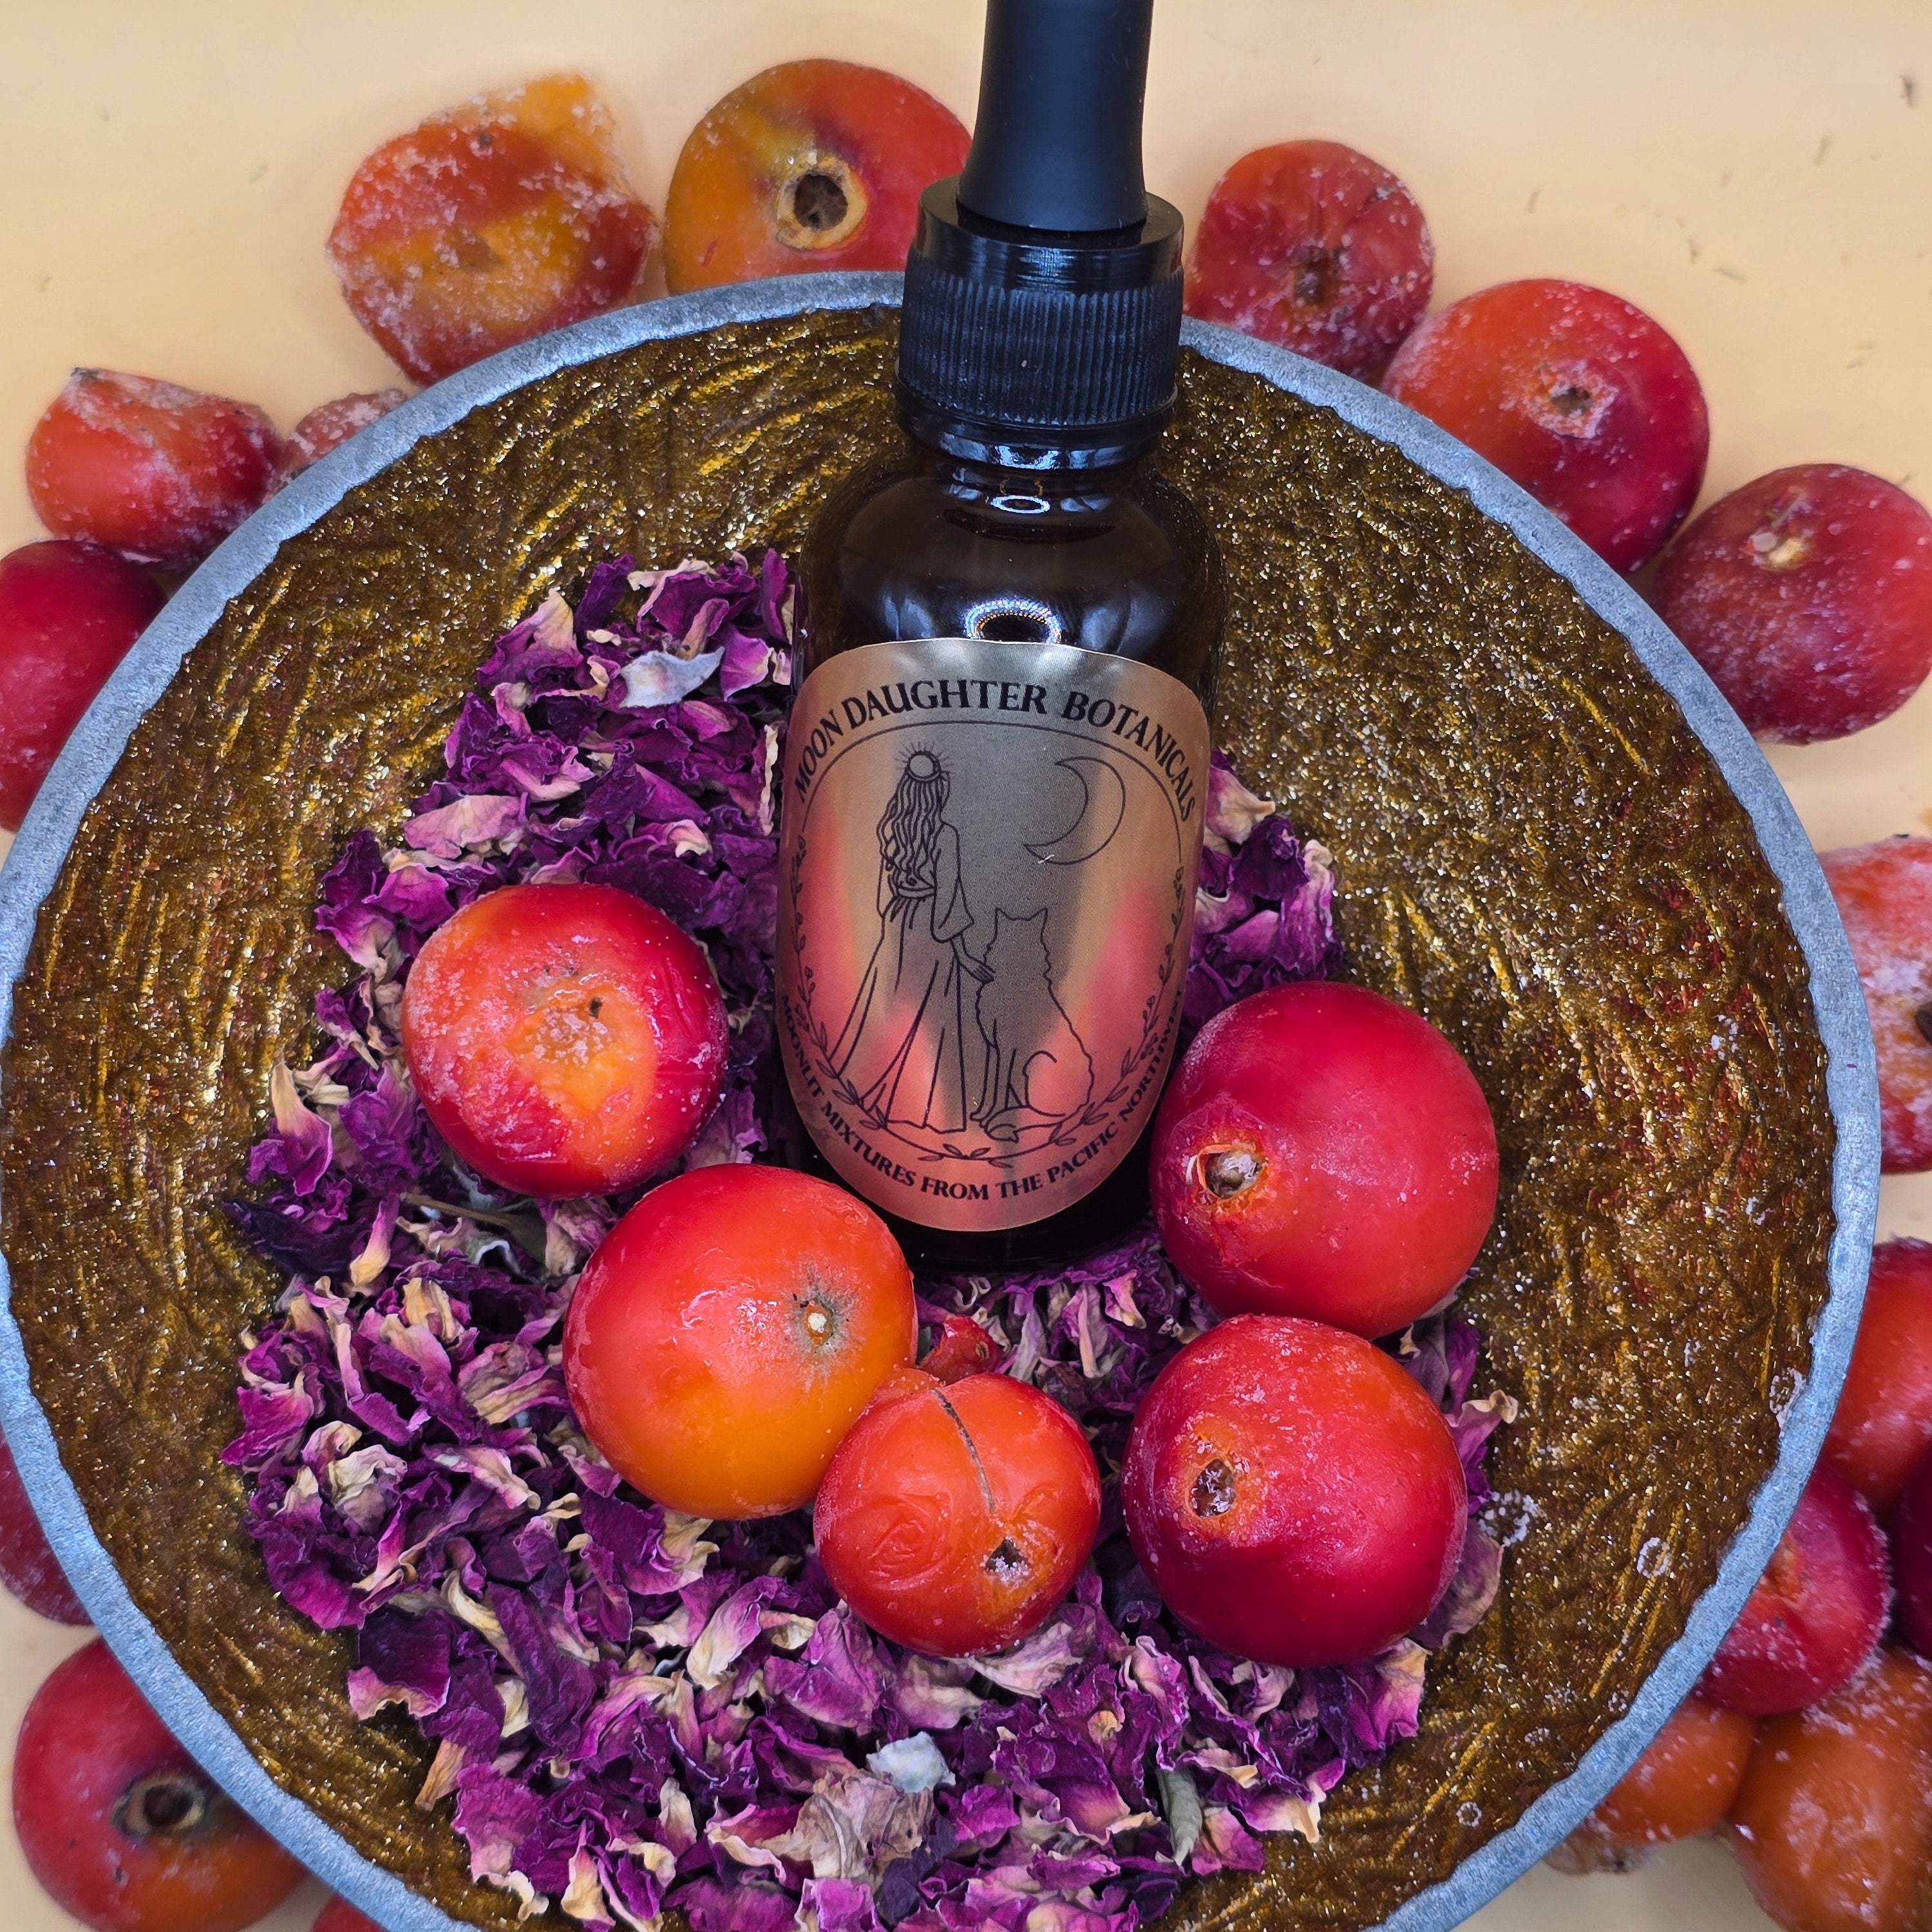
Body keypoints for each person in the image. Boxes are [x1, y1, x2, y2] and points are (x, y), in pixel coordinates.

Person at [831, 750, 983, 1135]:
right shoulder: (944, 836)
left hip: (899, 921)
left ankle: (871, 1094)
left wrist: (889, 925)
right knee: (933, 1016)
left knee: (889, 1004)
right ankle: (924, 1112)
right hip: (930, 927)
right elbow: (948, 900)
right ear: (937, 791)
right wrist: (965, 955)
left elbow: (884, 894)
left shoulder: (892, 831)